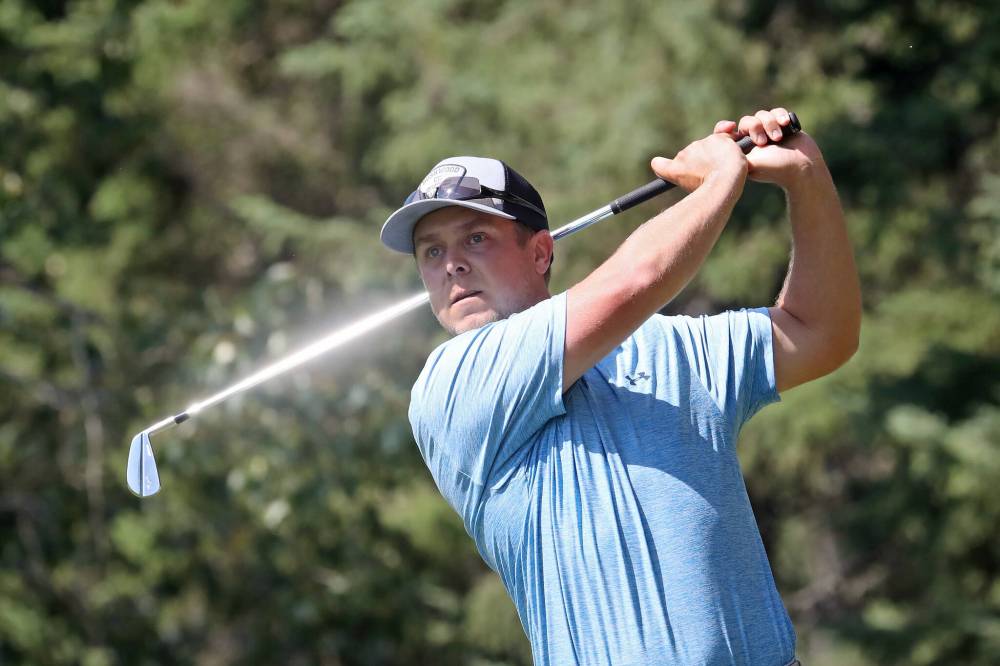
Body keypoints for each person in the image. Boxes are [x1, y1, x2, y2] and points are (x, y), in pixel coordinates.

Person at [379, 107, 861, 666]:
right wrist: (721, 179)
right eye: (432, 251)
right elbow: (636, 279)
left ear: (540, 252)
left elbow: (820, 333)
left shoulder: (667, 346)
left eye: (476, 238)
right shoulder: (453, 382)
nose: (452, 266)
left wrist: (807, 177)